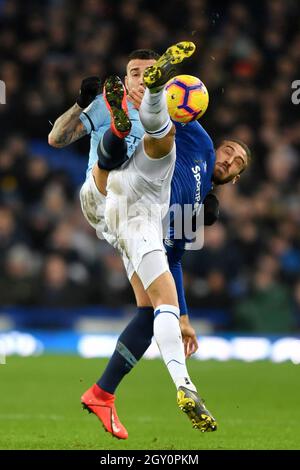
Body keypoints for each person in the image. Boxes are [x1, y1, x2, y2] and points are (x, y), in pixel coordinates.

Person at [49, 42, 250, 439]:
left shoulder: (196, 208)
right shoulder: (200, 143)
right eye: (230, 151)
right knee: (161, 143)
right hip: (113, 192)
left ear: (236, 178)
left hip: (126, 219)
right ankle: (184, 386)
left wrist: (186, 317)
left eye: (238, 163)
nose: (229, 160)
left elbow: (174, 260)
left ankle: (102, 394)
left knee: (152, 309)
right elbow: (57, 138)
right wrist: (147, 94)